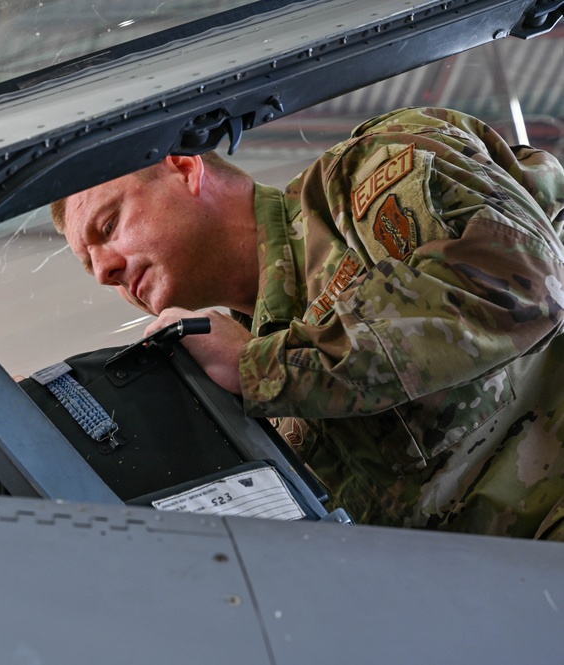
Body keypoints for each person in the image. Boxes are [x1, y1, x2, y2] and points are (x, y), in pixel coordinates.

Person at [50, 107, 564, 540]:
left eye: (109, 226)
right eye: (90, 264)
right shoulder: (252, 401)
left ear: (184, 168)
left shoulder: (359, 180)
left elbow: (519, 280)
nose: (104, 271)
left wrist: (261, 368)